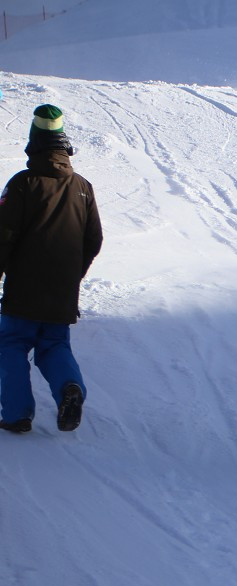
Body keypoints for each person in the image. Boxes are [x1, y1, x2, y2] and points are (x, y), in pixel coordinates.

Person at [0, 104, 103, 434]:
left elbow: (3, 237)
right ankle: (69, 388)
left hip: (23, 290)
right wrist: (74, 274)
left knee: (13, 345)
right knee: (54, 346)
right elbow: (94, 238)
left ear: (34, 142)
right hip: (61, 291)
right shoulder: (82, 186)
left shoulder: (22, 184)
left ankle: (17, 415)